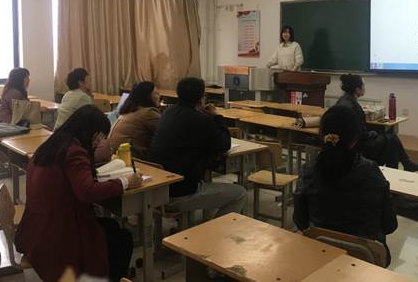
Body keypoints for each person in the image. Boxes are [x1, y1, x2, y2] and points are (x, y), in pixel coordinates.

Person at [15, 105, 142, 282]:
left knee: (112, 226)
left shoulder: (53, 144)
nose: (98, 143)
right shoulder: (74, 151)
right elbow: (87, 192)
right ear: (90, 132)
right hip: (60, 234)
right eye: (99, 137)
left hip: (37, 228)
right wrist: (125, 182)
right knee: (123, 238)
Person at [293, 105, 397, 266]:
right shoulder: (371, 172)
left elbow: (300, 221)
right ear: (355, 139)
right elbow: (389, 225)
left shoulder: (309, 171)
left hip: (319, 256)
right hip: (365, 262)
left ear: (322, 135)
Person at [149, 77, 246, 218]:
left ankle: (205, 222)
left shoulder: (168, 113)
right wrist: (217, 116)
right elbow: (224, 145)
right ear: (201, 98)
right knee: (240, 193)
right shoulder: (201, 120)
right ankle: (214, 230)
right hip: (179, 194)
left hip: (157, 190)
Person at [336, 74, 418, 172]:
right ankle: (401, 167)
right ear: (357, 89)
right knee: (392, 139)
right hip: (359, 148)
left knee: (389, 137)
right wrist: (373, 134)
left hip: (346, 146)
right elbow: (361, 135)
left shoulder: (342, 101)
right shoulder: (354, 107)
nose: (365, 88)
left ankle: (405, 165)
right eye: (363, 86)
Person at [109, 82, 161, 159]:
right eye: (156, 93)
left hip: (114, 155)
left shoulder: (128, 110)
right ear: (147, 96)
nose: (159, 95)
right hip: (131, 158)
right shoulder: (148, 113)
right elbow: (166, 131)